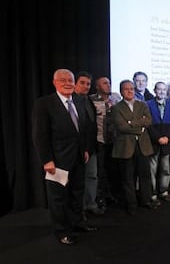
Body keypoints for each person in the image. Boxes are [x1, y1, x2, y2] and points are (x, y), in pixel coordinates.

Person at [32, 69, 97, 245]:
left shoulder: (78, 101)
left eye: (70, 80)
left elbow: (82, 130)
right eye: (63, 80)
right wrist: (47, 160)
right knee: (58, 197)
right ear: (54, 82)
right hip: (57, 161)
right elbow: (40, 135)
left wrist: (84, 150)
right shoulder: (44, 104)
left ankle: (77, 223)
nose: (68, 83)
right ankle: (62, 231)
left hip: (78, 158)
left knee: (77, 193)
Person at [111, 80, 158, 214]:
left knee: (145, 175)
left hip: (142, 146)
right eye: (126, 89)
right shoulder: (116, 108)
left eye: (132, 88)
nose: (130, 91)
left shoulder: (142, 104)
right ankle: (131, 204)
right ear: (121, 91)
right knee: (128, 178)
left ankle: (146, 200)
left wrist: (131, 122)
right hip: (125, 148)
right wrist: (139, 127)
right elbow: (121, 127)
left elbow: (148, 121)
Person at [74, 71, 104, 216]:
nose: (86, 86)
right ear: (75, 83)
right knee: (78, 180)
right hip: (78, 149)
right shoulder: (71, 101)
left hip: (91, 147)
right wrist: (83, 148)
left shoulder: (88, 100)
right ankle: (79, 209)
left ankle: (90, 204)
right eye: (82, 83)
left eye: (88, 84)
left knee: (92, 177)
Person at [89, 77, 122, 210]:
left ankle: (112, 195)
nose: (108, 85)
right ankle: (100, 197)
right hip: (100, 140)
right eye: (104, 83)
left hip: (115, 140)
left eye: (109, 83)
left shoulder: (116, 98)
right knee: (100, 170)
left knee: (114, 169)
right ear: (97, 86)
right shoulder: (91, 99)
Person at [147, 82, 170, 202]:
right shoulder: (148, 104)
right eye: (159, 89)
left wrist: (167, 138)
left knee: (166, 168)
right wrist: (157, 138)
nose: (161, 91)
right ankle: (153, 193)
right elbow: (148, 124)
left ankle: (164, 191)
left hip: (167, 142)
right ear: (154, 90)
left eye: (164, 89)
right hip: (153, 142)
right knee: (152, 169)